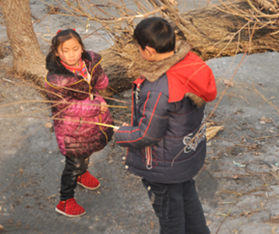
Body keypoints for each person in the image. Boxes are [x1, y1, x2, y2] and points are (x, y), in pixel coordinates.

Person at [114, 17, 217, 234]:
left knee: (171, 219)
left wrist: (121, 133)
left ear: (149, 51)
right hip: (184, 157)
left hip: (163, 166)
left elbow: (147, 134)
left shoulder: (158, 88)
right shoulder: (189, 63)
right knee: (188, 200)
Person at [45, 29, 114, 218]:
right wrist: (94, 107)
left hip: (92, 122)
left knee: (88, 149)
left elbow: (98, 81)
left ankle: (83, 173)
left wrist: (100, 78)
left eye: (75, 48)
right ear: (57, 52)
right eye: (65, 50)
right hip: (72, 128)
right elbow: (67, 108)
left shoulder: (89, 61)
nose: (71, 54)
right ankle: (65, 200)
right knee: (73, 162)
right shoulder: (57, 80)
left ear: (81, 47)